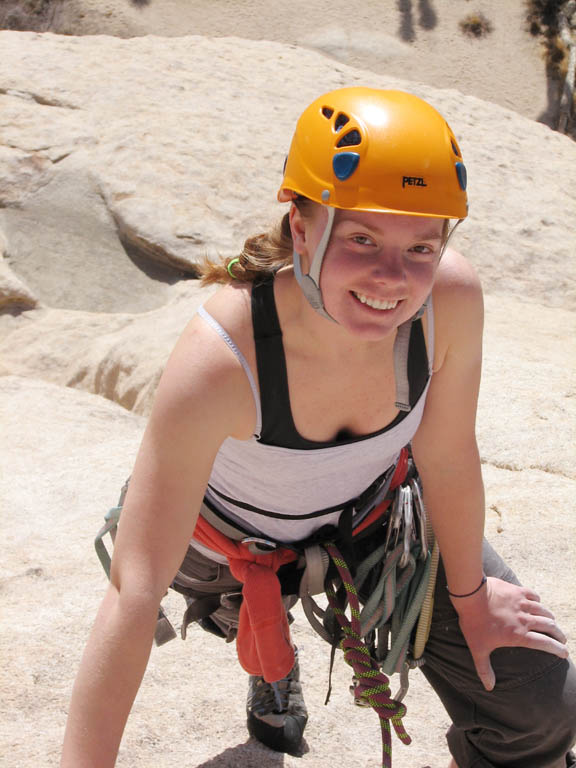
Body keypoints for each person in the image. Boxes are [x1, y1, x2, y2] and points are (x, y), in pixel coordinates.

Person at [61, 87, 576, 768]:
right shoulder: (222, 362)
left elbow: (446, 453)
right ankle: (268, 655)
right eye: (362, 238)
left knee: (543, 707)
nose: (392, 278)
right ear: (302, 230)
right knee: (246, 586)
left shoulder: (448, 302)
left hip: (374, 521)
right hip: (218, 546)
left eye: (421, 246)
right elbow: (135, 592)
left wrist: (473, 601)